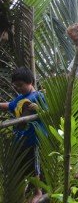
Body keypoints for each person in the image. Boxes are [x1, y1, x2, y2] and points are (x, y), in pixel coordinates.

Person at [0, 67, 47, 203]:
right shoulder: (20, 98)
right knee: (21, 166)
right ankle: (22, 194)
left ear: (30, 82)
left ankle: (38, 193)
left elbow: (50, 112)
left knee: (34, 166)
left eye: (20, 85)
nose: (18, 88)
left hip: (33, 139)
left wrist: (39, 109)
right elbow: (9, 105)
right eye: (16, 86)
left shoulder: (39, 96)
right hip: (20, 140)